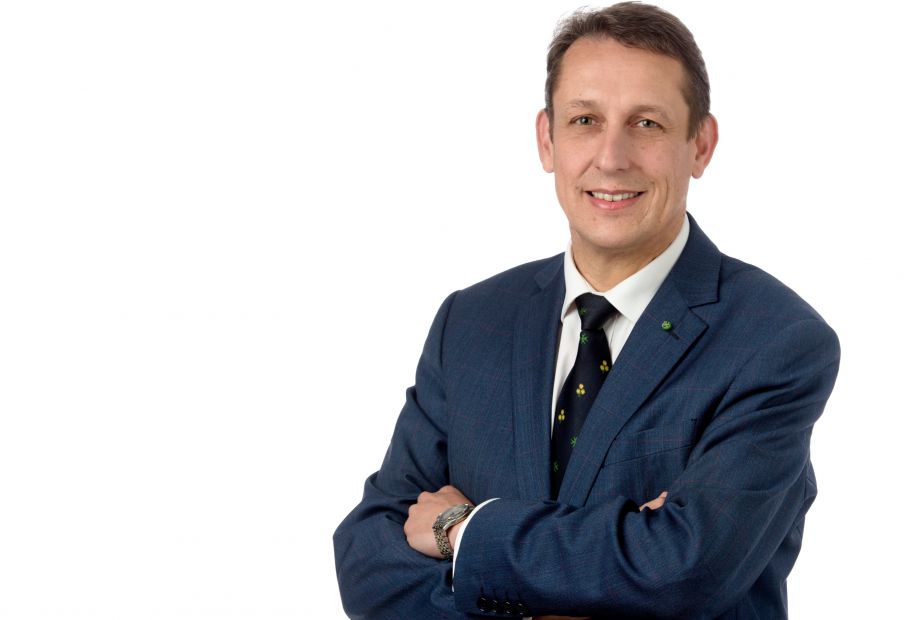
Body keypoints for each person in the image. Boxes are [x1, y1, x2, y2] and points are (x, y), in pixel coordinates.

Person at [333, 3, 840, 618]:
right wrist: (605, 570)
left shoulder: (776, 341)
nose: (611, 157)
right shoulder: (469, 322)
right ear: (547, 140)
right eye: (584, 120)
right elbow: (368, 558)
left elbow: (684, 571)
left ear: (700, 145)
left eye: (647, 123)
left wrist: (464, 529)